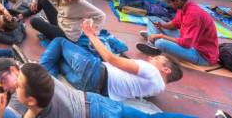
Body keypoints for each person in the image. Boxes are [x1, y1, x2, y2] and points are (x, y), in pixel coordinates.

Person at [0, 60, 190, 118]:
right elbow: (12, 65)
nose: (10, 85)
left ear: (30, 99)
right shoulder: (40, 78)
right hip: (94, 100)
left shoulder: (32, 110)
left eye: (16, 84)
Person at [40, 19, 182, 101]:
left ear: (166, 69)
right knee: (57, 58)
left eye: (157, 58)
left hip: (93, 71)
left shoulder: (152, 71)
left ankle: (36, 80)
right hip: (89, 87)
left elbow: (111, 59)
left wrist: (90, 35)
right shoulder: (157, 89)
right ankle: (46, 84)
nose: (151, 58)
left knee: (59, 41)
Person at [137, 0, 219, 66]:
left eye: (168, 2)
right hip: (188, 40)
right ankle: (152, 39)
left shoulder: (193, 14)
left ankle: (153, 41)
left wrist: (161, 35)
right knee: (153, 19)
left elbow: (186, 43)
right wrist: (162, 26)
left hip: (202, 56)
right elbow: (175, 24)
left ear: (176, 1)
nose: (168, 5)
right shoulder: (183, 5)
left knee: (160, 43)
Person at [29, 0, 105, 41]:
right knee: (42, 0)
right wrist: (35, 0)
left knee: (34, 21)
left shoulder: (80, 3)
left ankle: (53, 34)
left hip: (67, 35)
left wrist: (94, 33)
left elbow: (101, 15)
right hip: (60, 22)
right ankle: (22, 15)